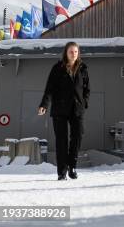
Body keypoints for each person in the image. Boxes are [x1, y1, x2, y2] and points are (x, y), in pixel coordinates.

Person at [37, 41, 90, 181]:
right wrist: (44, 104)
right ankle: (62, 172)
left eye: (76, 52)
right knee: (61, 141)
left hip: (77, 109)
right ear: (66, 53)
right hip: (60, 108)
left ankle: (72, 166)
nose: (74, 54)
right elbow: (49, 88)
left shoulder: (83, 68)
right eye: (71, 51)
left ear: (78, 53)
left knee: (77, 136)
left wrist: (84, 103)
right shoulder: (57, 68)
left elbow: (87, 89)